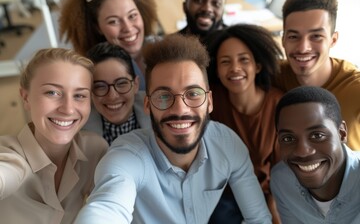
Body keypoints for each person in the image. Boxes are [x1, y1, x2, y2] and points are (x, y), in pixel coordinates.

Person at [74, 34, 272, 223]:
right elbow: (106, 207)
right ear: (147, 104)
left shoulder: (228, 144)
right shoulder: (128, 155)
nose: (180, 109)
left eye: (193, 93)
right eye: (163, 96)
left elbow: (259, 218)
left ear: (209, 102)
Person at [0, 48, 108, 224]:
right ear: (26, 98)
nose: (68, 109)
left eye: (80, 95)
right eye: (52, 92)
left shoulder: (94, 150)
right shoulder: (8, 154)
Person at [206, 24, 283, 224]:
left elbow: (283, 171)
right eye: (225, 62)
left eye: (244, 60)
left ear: (257, 66)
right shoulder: (211, 101)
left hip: (267, 193)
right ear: (217, 69)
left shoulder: (278, 105)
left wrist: (273, 208)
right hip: (226, 194)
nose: (235, 68)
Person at [273, 0, 360, 150]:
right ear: (283, 39)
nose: (303, 47)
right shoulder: (275, 74)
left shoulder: (355, 89)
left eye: (316, 36)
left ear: (333, 40)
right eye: (293, 36)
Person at [271, 86, 360, 223]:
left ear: (342, 133)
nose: (302, 151)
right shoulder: (282, 181)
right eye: (288, 139)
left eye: (317, 135)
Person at [59, 0, 160, 90]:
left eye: (132, 16)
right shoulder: (98, 79)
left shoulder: (162, 47)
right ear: (97, 27)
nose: (128, 28)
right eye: (113, 21)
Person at [83, 42, 150, 145]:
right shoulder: (78, 129)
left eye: (121, 83)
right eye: (100, 86)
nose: (112, 96)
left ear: (136, 84)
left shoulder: (157, 114)